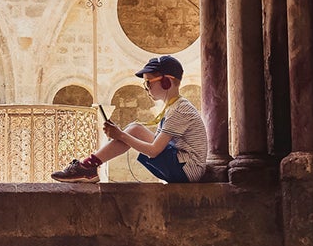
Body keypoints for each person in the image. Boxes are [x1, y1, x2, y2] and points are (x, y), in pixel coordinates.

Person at [50, 55, 208, 183]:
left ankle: (87, 167)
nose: (146, 89)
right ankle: (88, 167)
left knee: (134, 131)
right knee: (135, 129)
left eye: (148, 83)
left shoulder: (180, 110)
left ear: (166, 82)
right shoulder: (176, 106)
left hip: (187, 170)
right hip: (182, 164)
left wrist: (121, 135)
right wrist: (122, 134)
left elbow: (153, 151)